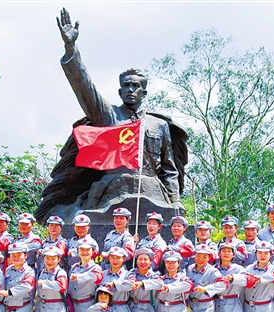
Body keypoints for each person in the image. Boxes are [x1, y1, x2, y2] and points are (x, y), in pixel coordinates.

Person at [49, 8, 182, 209]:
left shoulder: (159, 125)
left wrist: (175, 201)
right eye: (126, 86)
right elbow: (86, 90)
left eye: (135, 86)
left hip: (152, 192)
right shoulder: (109, 116)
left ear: (144, 93)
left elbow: (169, 169)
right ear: (120, 92)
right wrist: (71, 49)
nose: (130, 90)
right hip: (111, 191)